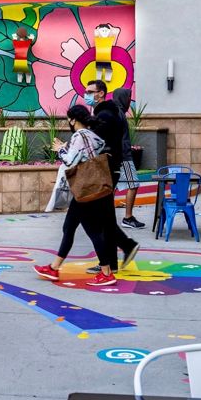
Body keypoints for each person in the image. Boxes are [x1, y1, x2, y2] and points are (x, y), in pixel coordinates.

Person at [33, 105, 131, 288]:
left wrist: (60, 150)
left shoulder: (79, 136)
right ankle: (54, 268)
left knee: (91, 231)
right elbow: (94, 150)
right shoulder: (92, 135)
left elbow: (70, 160)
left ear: (73, 120)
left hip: (84, 190)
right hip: (92, 188)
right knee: (69, 227)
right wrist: (68, 147)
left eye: (68, 120)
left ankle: (106, 273)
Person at [84, 80, 140, 272]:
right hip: (111, 166)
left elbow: (99, 142)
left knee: (100, 217)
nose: (86, 95)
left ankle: (112, 258)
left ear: (101, 93)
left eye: (90, 91)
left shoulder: (107, 114)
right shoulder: (109, 112)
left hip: (108, 167)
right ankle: (117, 255)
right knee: (105, 216)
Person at [112, 87, 146, 229]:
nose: (129, 101)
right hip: (123, 158)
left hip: (118, 157)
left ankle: (106, 217)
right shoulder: (119, 114)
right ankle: (128, 217)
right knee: (133, 184)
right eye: (128, 97)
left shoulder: (115, 113)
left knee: (111, 187)